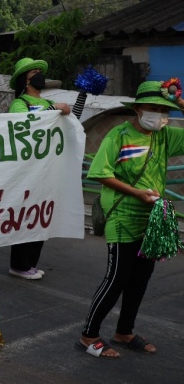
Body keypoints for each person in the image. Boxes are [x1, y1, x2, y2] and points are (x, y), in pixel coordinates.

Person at [77, 80, 184, 358]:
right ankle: (88, 335)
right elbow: (100, 173)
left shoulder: (165, 136)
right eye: (153, 108)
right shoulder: (119, 135)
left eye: (164, 110)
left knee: (140, 279)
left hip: (152, 221)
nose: (159, 115)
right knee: (117, 279)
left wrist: (181, 104)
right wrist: (136, 192)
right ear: (137, 109)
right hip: (123, 216)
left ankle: (124, 332)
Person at [6, 57, 71, 280]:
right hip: (27, 171)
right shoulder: (20, 104)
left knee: (41, 217)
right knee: (26, 216)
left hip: (47, 170)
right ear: (24, 80)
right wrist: (53, 109)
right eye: (33, 72)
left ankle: (30, 263)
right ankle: (19, 264)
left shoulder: (48, 102)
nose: (39, 75)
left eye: (38, 71)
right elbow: (22, 125)